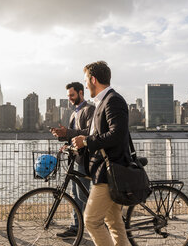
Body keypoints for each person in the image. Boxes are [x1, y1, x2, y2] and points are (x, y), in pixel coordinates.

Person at [72, 61, 131, 246]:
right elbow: (100, 135)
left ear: (93, 79)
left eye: (86, 80)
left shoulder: (113, 100)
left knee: (90, 220)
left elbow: (117, 134)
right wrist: (81, 142)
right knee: (114, 223)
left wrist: (87, 141)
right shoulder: (103, 102)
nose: (86, 84)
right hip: (104, 171)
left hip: (109, 172)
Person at [50, 81, 95, 237]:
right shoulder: (74, 113)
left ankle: (88, 225)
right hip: (74, 159)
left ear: (81, 93)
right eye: (68, 96)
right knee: (76, 194)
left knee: (83, 195)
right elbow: (71, 136)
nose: (69, 98)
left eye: (72, 95)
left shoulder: (90, 109)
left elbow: (89, 132)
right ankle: (76, 227)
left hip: (85, 159)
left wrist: (67, 132)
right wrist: (61, 136)